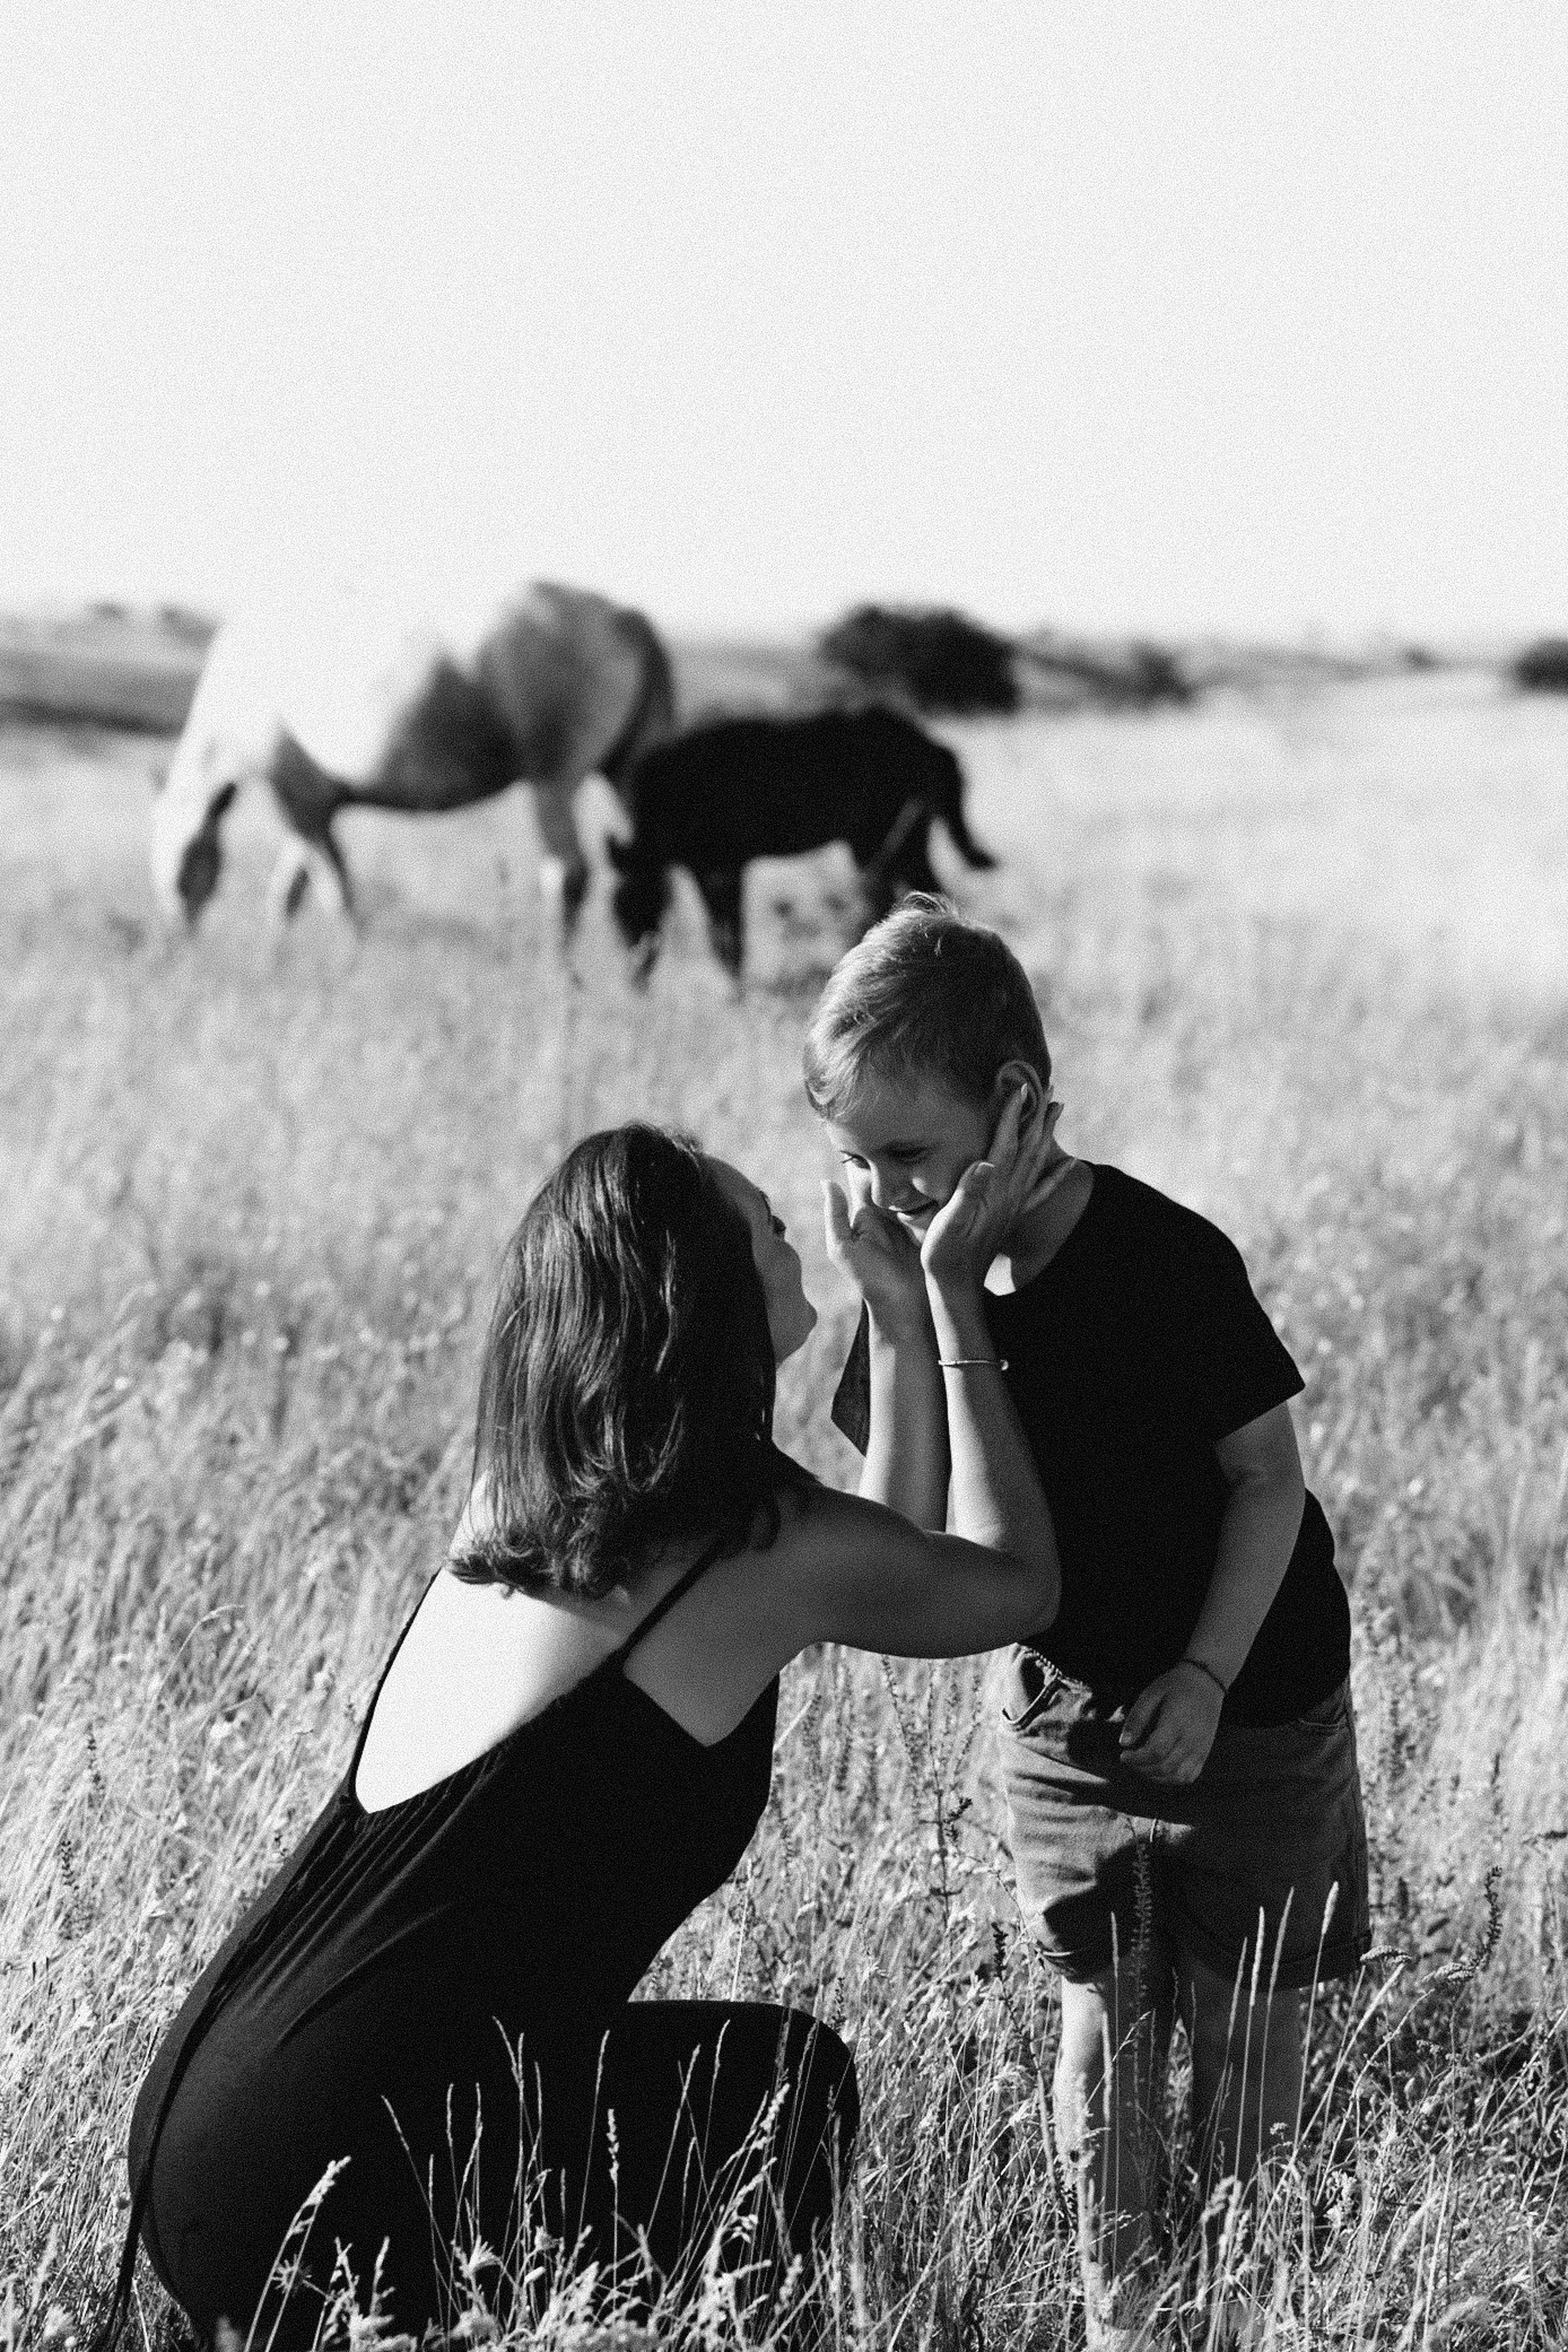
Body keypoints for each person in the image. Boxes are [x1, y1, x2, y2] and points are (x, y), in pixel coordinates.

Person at [111, 1118, 1060, 2351]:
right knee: (782, 2085)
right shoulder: (752, 1545)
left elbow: (887, 1562)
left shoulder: (534, 1505)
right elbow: (1006, 1585)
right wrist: (951, 1305)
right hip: (330, 2187)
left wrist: (890, 1313)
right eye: (769, 1227)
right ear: (699, 1294)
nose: (800, 1237)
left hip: (207, 2133)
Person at [806, 899, 1369, 2351]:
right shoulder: (920, 1272)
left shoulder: (1163, 1261)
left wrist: (1205, 1670)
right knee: (1104, 2033)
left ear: (1015, 1107)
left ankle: (1250, 2310)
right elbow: (908, 1522)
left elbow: (1267, 1480)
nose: (890, 1191)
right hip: (1065, 1718)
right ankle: (1130, 2321)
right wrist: (898, 1301)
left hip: (1249, 1697)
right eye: (856, 1163)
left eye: (914, 1160)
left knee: (1248, 2039)